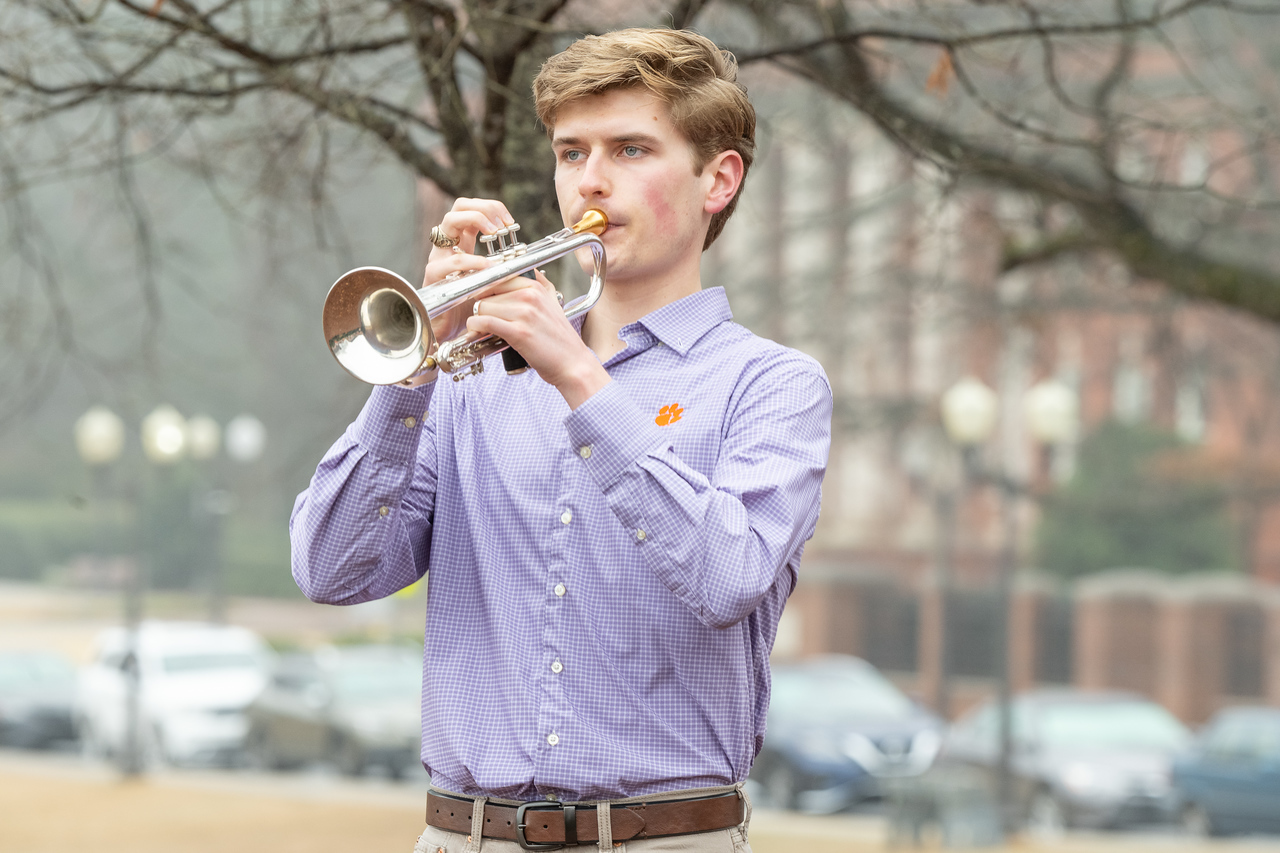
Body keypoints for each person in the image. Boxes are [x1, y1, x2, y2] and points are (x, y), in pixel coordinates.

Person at [291, 27, 832, 852]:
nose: (592, 181)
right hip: (464, 834)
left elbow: (729, 576)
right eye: (571, 152)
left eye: (631, 149)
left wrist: (579, 378)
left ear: (718, 179)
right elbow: (331, 568)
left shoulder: (774, 386)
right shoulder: (469, 378)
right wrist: (413, 373)